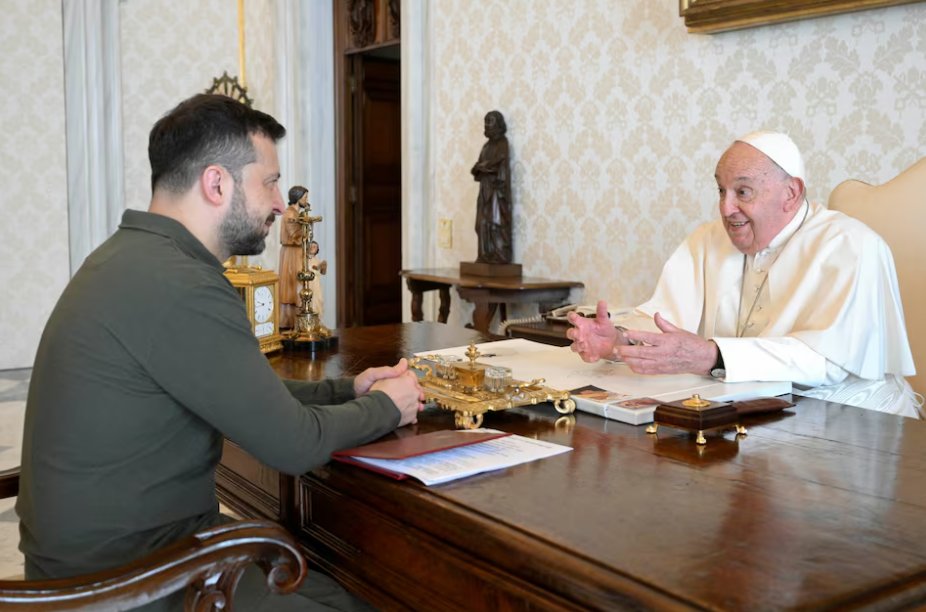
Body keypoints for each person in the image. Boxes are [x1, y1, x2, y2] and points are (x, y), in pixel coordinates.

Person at [16, 93, 425, 612]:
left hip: (111, 558)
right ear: (216, 184)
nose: (280, 204)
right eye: (269, 182)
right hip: (123, 583)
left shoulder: (136, 256)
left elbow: (235, 388)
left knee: (347, 589)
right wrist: (389, 406)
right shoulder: (182, 284)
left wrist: (346, 390)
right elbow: (294, 444)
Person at [568, 130, 921, 418]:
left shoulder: (850, 245)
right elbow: (665, 320)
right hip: (745, 411)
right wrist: (621, 340)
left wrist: (713, 356)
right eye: (721, 190)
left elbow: (829, 361)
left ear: (791, 193)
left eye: (743, 192)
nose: (726, 208)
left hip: (848, 416)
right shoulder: (708, 240)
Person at [471, 110, 513, 264]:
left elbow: (498, 163)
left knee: (495, 222)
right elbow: (477, 167)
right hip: (485, 188)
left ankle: (499, 254)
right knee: (481, 223)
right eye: (485, 121)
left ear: (498, 124)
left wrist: (483, 166)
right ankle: (484, 255)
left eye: (490, 121)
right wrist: (480, 167)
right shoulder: (486, 146)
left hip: (496, 190)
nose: (487, 125)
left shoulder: (502, 143)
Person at [279, 185, 308, 329]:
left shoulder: (297, 213)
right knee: (293, 284)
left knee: (300, 283)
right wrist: (305, 226)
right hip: (291, 253)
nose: (306, 200)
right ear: (298, 198)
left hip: (297, 251)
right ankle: (290, 321)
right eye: (305, 197)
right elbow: (295, 235)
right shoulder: (290, 214)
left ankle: (300, 321)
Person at [305, 240, 328, 320]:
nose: (312, 248)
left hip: (316, 283)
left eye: (314, 247)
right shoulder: (305, 260)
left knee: (319, 300)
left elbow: (323, 272)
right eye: (311, 246)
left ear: (317, 249)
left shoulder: (319, 261)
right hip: (308, 284)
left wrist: (324, 266)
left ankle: (317, 319)